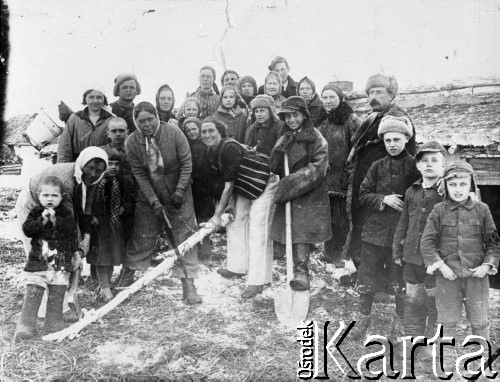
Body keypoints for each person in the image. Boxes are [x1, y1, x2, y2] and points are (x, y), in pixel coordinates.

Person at [120, 102, 202, 304]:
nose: (146, 124)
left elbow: (186, 163)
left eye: (150, 119)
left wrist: (180, 191)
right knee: (142, 234)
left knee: (184, 235)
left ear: (157, 117)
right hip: (149, 192)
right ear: (135, 122)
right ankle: (127, 276)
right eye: (141, 121)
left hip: (177, 189)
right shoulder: (132, 142)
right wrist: (154, 201)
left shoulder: (174, 133)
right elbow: (139, 174)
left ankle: (188, 282)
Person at [421, 161, 499, 372]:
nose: (457, 189)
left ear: (471, 185)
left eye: (462, 184)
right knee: (447, 321)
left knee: (480, 320)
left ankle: (483, 360)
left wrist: (487, 265)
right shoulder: (438, 210)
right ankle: (447, 361)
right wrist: (440, 266)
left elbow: (493, 242)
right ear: (445, 186)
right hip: (448, 278)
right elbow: (427, 243)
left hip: (477, 277)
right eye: (452, 184)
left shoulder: (483, 210)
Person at [342, 73, 417, 286]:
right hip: (366, 187)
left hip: (386, 189)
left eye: (379, 92)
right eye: (370, 92)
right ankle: (364, 274)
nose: (373, 96)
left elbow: (409, 157)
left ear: (391, 94)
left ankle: (383, 282)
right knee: (363, 232)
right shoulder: (370, 119)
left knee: (383, 236)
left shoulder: (398, 119)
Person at [350, 116, 420, 341]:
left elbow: (422, 193)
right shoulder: (377, 166)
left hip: (401, 233)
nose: (392, 144)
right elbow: (363, 194)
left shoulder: (414, 166)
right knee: (366, 277)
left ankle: (398, 326)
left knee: (399, 280)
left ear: (406, 139)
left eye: (397, 139)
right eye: (388, 140)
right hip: (374, 232)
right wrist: (384, 199)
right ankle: (362, 322)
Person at [215, 95, 283, 298]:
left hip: (270, 178)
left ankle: (258, 279)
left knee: (259, 226)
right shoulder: (252, 128)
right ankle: (238, 265)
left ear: (270, 109)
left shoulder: (279, 128)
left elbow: (281, 156)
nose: (259, 114)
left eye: (263, 110)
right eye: (256, 110)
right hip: (249, 175)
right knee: (237, 219)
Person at [269, 96, 331, 291]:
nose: (291, 120)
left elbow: (318, 168)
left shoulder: (316, 138)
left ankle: (302, 272)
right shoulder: (284, 136)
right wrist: (278, 151)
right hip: (290, 192)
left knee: (301, 232)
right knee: (289, 229)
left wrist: (290, 183)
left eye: (295, 115)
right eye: (287, 116)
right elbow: (274, 166)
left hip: (308, 192)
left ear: (304, 115)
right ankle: (286, 260)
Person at [392, 141, 447, 361]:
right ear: (417, 166)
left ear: (444, 165)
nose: (429, 164)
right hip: (412, 258)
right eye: (424, 160)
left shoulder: (447, 191)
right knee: (413, 302)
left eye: (435, 160)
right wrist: (397, 251)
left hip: (436, 260)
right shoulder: (411, 191)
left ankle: (434, 345)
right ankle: (414, 343)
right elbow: (403, 222)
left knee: (435, 304)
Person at [16, 147, 109, 260]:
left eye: (99, 171)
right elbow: (68, 221)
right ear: (82, 163)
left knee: (62, 251)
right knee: (39, 249)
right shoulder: (66, 182)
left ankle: (65, 272)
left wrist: (86, 238)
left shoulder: (91, 181)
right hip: (33, 201)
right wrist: (76, 252)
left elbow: (86, 209)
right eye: (90, 168)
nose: (93, 174)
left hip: (57, 206)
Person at [14, 177, 78, 340]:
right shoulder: (36, 212)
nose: (50, 199)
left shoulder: (64, 212)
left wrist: (56, 220)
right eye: (46, 195)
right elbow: (27, 229)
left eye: (54, 196)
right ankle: (26, 325)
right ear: (38, 195)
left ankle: (54, 324)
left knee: (57, 293)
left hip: (59, 262)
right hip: (38, 262)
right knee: (34, 292)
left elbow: (71, 230)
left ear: (61, 197)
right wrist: (42, 221)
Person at [317, 84, 361, 267]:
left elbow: (358, 146)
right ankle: (329, 251)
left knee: (341, 218)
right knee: (327, 216)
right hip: (324, 176)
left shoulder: (350, 119)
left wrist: (350, 170)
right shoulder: (320, 118)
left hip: (342, 176)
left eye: (332, 97)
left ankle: (339, 255)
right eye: (324, 97)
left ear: (340, 99)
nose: (328, 101)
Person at [86, 148, 134, 302]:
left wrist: (123, 208)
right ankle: (104, 288)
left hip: (114, 226)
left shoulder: (121, 181)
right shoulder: (95, 183)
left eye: (116, 164)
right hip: (98, 227)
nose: (113, 167)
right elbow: (86, 201)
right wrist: (91, 215)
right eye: (109, 164)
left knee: (111, 256)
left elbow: (129, 201)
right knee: (100, 258)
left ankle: (102, 285)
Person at [181, 117, 218, 259]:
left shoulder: (206, 145)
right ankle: (196, 246)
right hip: (192, 186)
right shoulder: (186, 145)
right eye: (188, 130)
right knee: (193, 217)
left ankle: (206, 249)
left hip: (205, 187)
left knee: (204, 217)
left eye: (194, 129)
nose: (191, 132)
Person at [57, 87, 113, 163]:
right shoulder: (75, 118)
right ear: (85, 99)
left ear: (104, 100)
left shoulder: (111, 120)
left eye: (99, 97)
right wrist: (63, 167)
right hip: (77, 164)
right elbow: (65, 146)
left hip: (103, 164)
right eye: (91, 97)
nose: (95, 101)